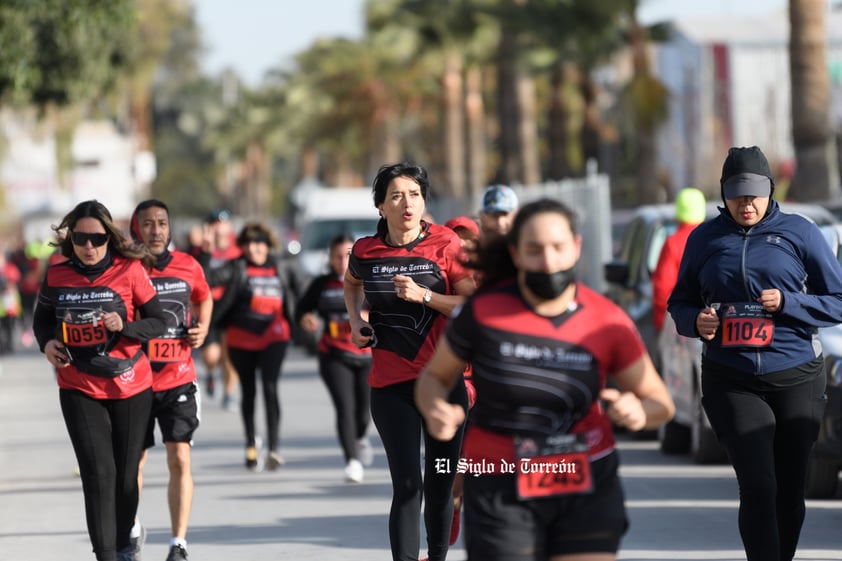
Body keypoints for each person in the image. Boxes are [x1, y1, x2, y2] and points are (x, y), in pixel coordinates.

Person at [415, 197, 675, 561]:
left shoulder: (607, 319)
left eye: (558, 248)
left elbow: (660, 402)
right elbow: (433, 378)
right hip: (500, 482)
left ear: (577, 249)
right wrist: (435, 408)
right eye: (534, 250)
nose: (548, 261)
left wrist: (640, 412)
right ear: (516, 254)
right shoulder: (482, 313)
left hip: (586, 481)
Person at [668, 145, 842, 561]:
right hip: (731, 377)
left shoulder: (801, 233)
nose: (747, 203)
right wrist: (696, 322)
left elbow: (837, 300)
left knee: (788, 485)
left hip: (796, 374)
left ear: (770, 191)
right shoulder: (704, 238)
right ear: (723, 194)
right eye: (737, 193)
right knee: (759, 485)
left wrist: (788, 303)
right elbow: (680, 302)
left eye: (755, 193)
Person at [344, 162, 476, 561]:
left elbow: (471, 304)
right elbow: (351, 284)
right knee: (407, 486)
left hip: (443, 382)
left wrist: (425, 297)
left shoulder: (447, 243)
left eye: (415, 194)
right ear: (381, 206)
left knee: (438, 485)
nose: (407, 203)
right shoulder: (366, 251)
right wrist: (354, 322)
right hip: (391, 385)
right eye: (397, 195)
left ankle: (436, 557)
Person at [32, 199, 168, 561]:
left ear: (110, 237)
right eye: (80, 239)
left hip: (130, 385)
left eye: (96, 238)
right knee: (98, 474)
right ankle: (106, 555)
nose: (88, 247)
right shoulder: (58, 274)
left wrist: (125, 327)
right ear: (70, 239)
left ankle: (124, 543)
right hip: (78, 385)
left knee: (125, 480)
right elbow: (42, 319)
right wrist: (46, 343)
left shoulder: (130, 270)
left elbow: (159, 322)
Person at [130, 200, 213, 561]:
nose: (155, 230)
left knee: (180, 458)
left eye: (161, 222)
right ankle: (131, 525)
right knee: (134, 463)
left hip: (179, 376)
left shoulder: (188, 265)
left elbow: (204, 297)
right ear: (138, 229)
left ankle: (177, 543)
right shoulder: (127, 268)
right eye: (147, 224)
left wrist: (203, 329)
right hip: (135, 380)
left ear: (169, 226)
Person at [201, 221, 293, 471]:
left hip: (275, 336)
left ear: (267, 245)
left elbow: (297, 295)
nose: (254, 248)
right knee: (249, 392)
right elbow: (206, 279)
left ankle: (273, 448)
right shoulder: (236, 267)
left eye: (259, 243)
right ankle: (251, 444)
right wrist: (206, 253)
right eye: (249, 244)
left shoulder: (279, 267)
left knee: (270, 387)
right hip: (241, 338)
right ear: (242, 247)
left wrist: (303, 321)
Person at [295, 234, 373, 483]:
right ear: (329, 258)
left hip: (367, 355)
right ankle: (351, 460)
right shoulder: (322, 284)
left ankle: (360, 438)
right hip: (333, 354)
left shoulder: (369, 282)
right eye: (337, 256)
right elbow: (301, 308)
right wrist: (306, 318)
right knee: (344, 407)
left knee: (364, 411)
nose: (342, 261)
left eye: (347, 255)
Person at [196, 209, 241, 410]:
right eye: (214, 223)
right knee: (212, 356)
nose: (219, 227)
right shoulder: (203, 248)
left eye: (223, 222)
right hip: (210, 308)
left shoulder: (239, 247)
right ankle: (212, 373)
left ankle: (229, 394)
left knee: (230, 355)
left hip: (233, 307)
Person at [651, 187, 706, 332]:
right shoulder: (714, 242)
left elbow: (663, 288)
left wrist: (662, 324)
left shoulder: (672, 244)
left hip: (681, 324)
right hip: (711, 323)